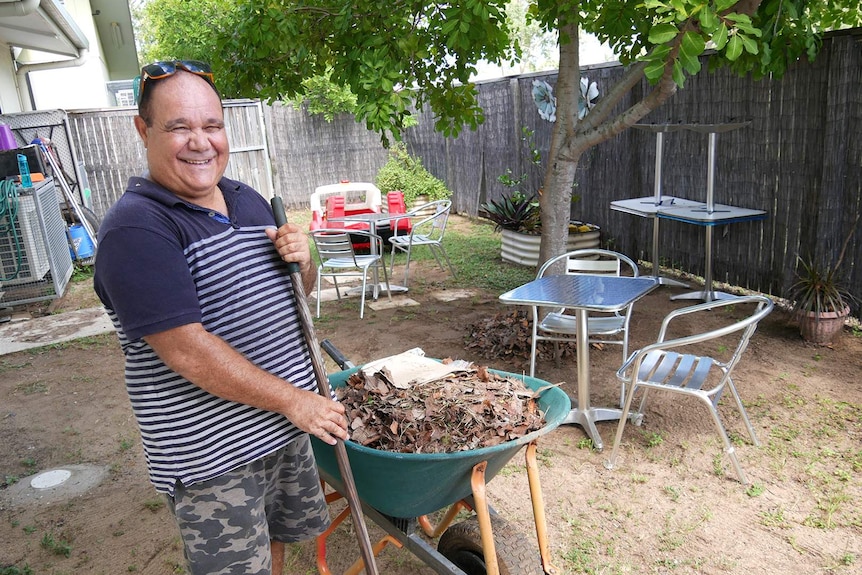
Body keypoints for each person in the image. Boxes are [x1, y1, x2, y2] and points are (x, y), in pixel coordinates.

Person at [93, 61, 349, 575]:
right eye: (180, 127)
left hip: (281, 430)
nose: (201, 142)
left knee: (277, 545)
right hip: (213, 458)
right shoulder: (136, 230)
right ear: (143, 130)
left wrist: (305, 263)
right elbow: (186, 350)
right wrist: (294, 401)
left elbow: (292, 299)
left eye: (212, 126)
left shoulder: (247, 200)